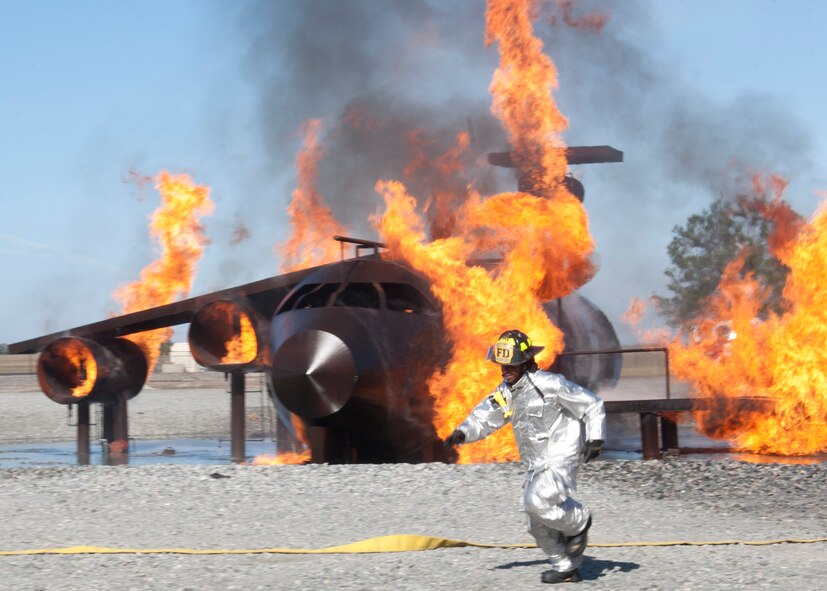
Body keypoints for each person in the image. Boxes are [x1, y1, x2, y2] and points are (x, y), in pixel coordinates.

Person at [443, 329, 605, 584]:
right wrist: (463, 433)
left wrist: (595, 439)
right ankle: (566, 567)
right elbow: (485, 417)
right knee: (536, 524)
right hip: (535, 462)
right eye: (502, 365)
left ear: (526, 362)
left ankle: (579, 521)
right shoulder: (506, 393)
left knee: (535, 501)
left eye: (511, 365)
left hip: (561, 453)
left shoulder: (551, 385)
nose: (505, 370)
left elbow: (592, 404)